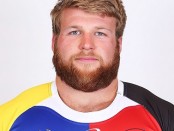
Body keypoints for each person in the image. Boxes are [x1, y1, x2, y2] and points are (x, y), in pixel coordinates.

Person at [0, 0, 174, 130]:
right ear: (54, 42)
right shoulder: (7, 118)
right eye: (74, 32)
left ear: (118, 44)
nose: (87, 44)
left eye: (100, 33)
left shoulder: (164, 117)